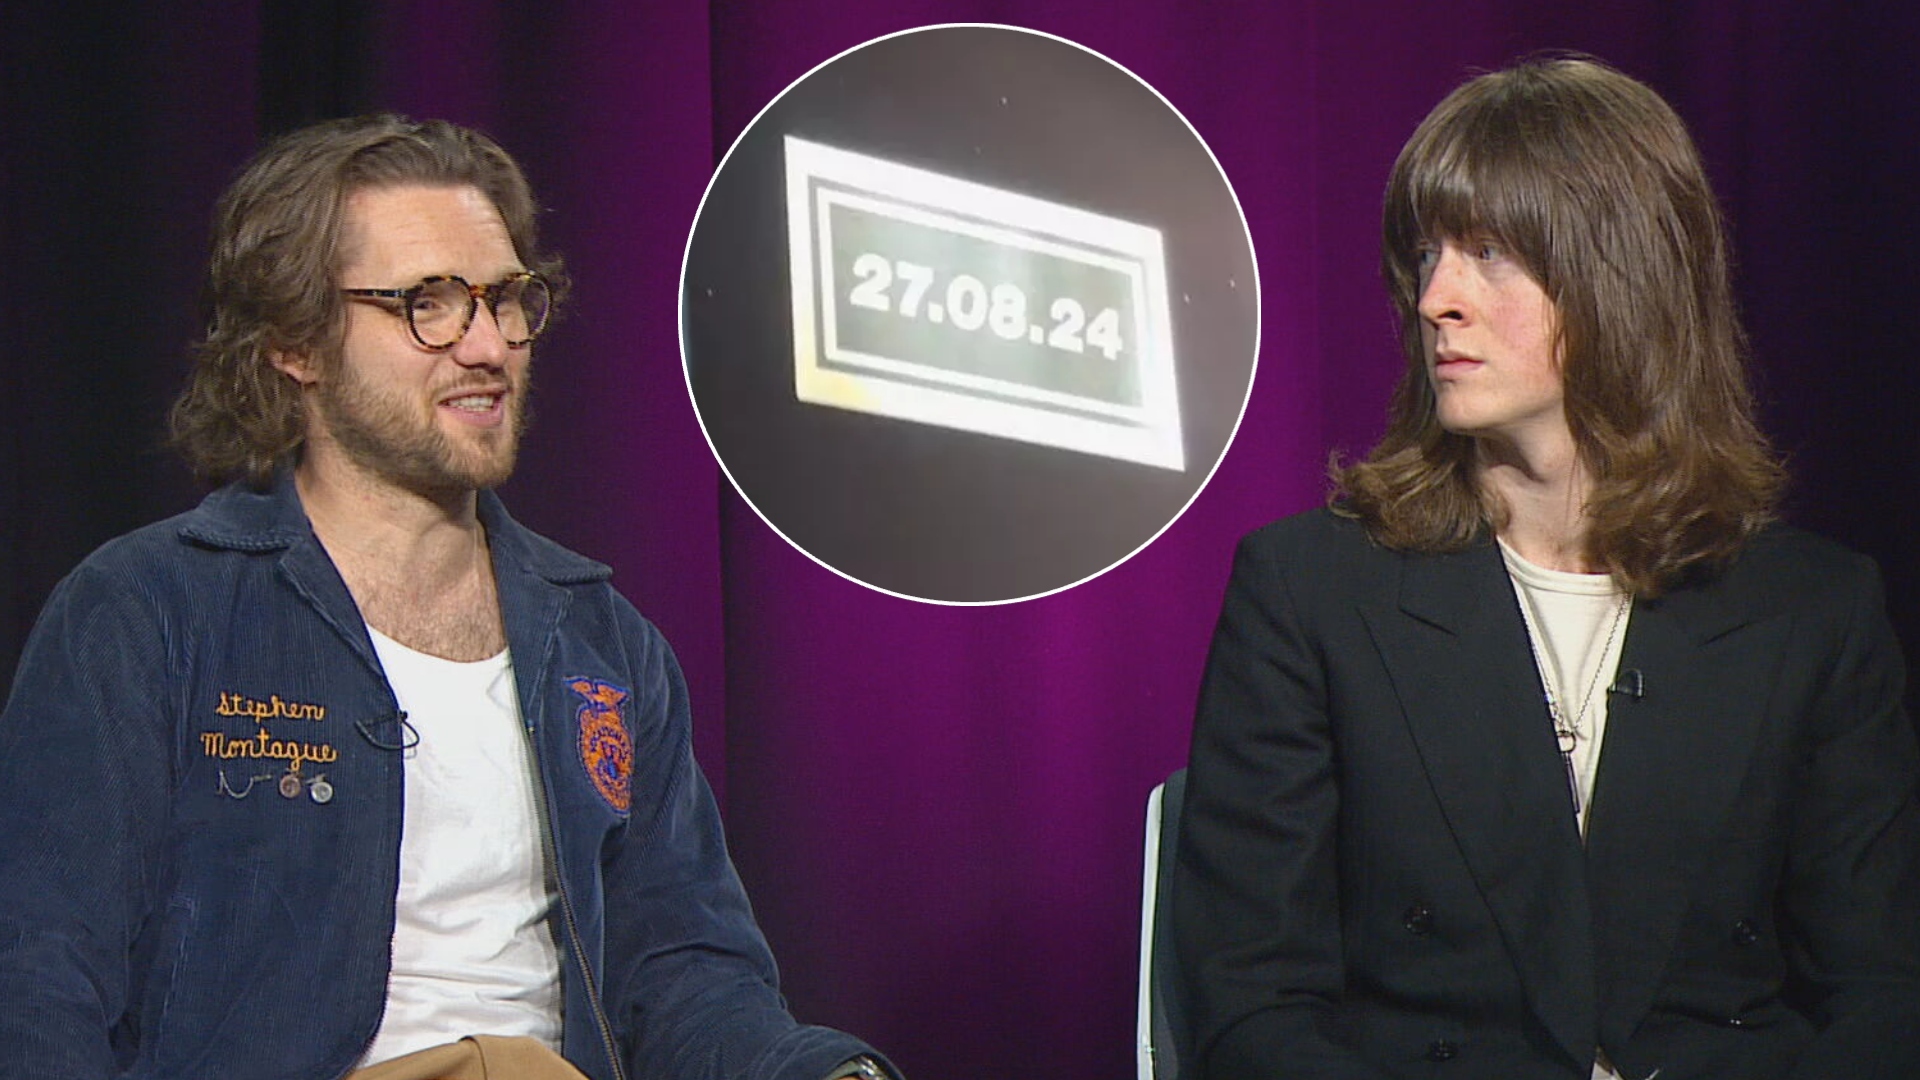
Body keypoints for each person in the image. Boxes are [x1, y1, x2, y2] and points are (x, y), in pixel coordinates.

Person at [0, 116, 893, 1080]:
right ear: (295, 343)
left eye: (505, 300)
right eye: (428, 303)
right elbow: (41, 972)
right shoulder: (148, 612)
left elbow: (686, 974)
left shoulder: (603, 642)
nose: (488, 346)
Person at [1172, 57, 1920, 1080]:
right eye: (1428, 255)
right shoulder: (1308, 592)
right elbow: (1250, 1009)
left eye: (1489, 253)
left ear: (1622, 279)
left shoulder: (1813, 610)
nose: (1437, 298)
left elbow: (1884, 998)